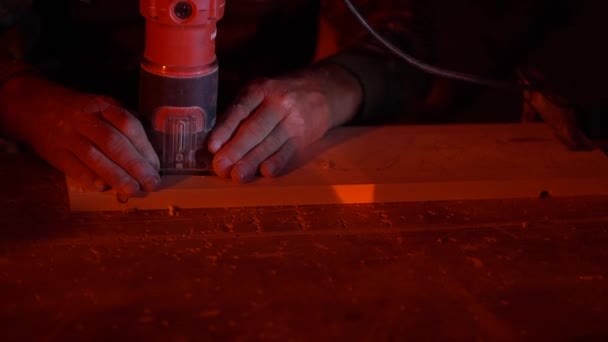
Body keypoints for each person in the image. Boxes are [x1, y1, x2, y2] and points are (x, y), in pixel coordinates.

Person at [1, 0, 606, 197]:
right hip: (61, 136)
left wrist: (334, 89)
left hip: (263, 140)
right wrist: (18, 96)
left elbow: (419, 29)